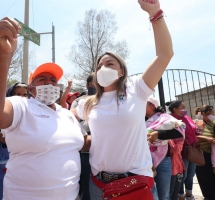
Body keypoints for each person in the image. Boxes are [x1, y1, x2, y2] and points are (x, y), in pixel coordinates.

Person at [0, 17, 90, 200]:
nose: (49, 83)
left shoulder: (67, 114)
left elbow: (85, 142)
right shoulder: (22, 106)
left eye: (53, 80)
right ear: (30, 89)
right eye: (42, 79)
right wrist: (2, 54)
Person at [72, 0, 173, 198]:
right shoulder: (88, 102)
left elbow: (164, 54)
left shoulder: (137, 88)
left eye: (109, 63)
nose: (103, 68)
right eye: (99, 65)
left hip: (135, 183)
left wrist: (155, 14)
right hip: (98, 184)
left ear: (121, 71)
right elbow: (64, 119)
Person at [0, 83, 28, 200]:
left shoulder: (32, 114)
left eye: (25, 94)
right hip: (5, 159)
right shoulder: (3, 114)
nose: (21, 98)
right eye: (18, 94)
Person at [146, 97, 184, 200]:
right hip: (144, 159)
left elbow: (178, 132)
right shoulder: (138, 119)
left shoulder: (164, 118)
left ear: (152, 106)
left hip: (163, 159)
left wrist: (158, 134)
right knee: (148, 192)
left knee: (164, 193)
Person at [70, 73, 95, 200]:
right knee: (86, 188)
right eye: (93, 83)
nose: (96, 85)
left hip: (104, 152)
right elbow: (72, 120)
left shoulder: (110, 100)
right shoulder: (79, 101)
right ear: (87, 85)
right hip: (85, 152)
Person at [166, 100, 198, 200]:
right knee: (182, 175)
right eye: (183, 107)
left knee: (191, 175)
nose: (185, 109)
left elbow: (193, 130)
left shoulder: (187, 118)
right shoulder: (171, 119)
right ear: (175, 109)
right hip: (181, 151)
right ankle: (180, 195)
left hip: (192, 150)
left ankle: (189, 193)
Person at [195, 105, 215, 200]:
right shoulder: (197, 123)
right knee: (206, 180)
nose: (214, 115)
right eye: (212, 113)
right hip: (203, 155)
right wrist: (206, 138)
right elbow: (192, 136)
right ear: (204, 114)